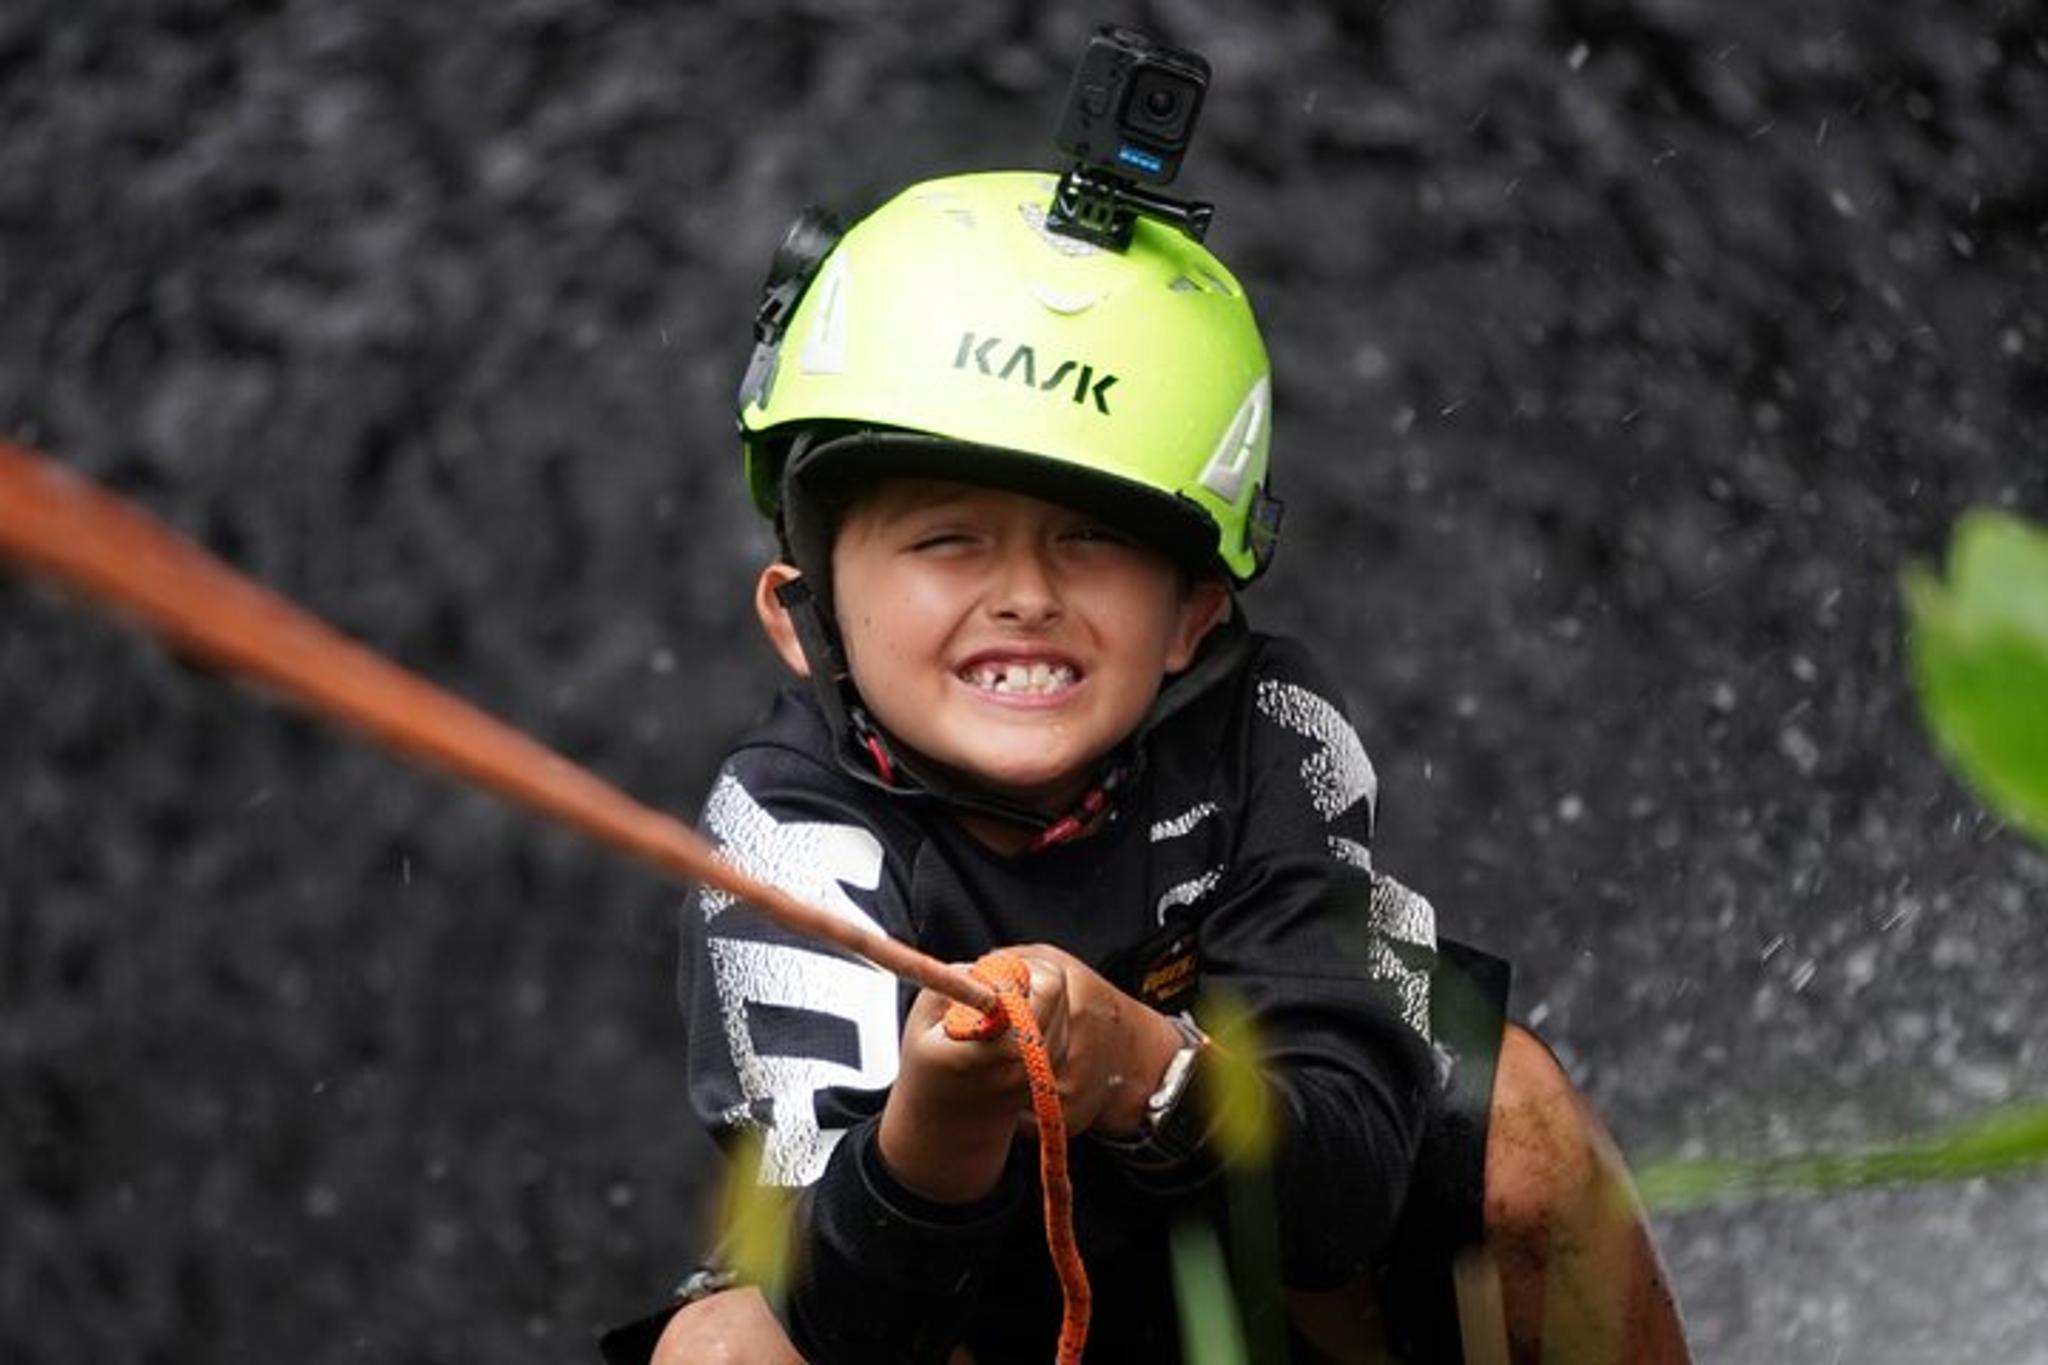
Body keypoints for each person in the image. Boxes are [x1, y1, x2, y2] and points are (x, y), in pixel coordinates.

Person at [604, 170, 1688, 1364]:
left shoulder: (1271, 734)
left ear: (1189, 620)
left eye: (1092, 540)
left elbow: (1347, 1191)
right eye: (946, 538)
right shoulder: (780, 837)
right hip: (965, 1318)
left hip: (1260, 1270)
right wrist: (939, 1123)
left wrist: (1138, 1066)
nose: (1023, 595)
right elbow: (855, 1319)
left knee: (1515, 1110)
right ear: (799, 613)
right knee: (720, 1353)